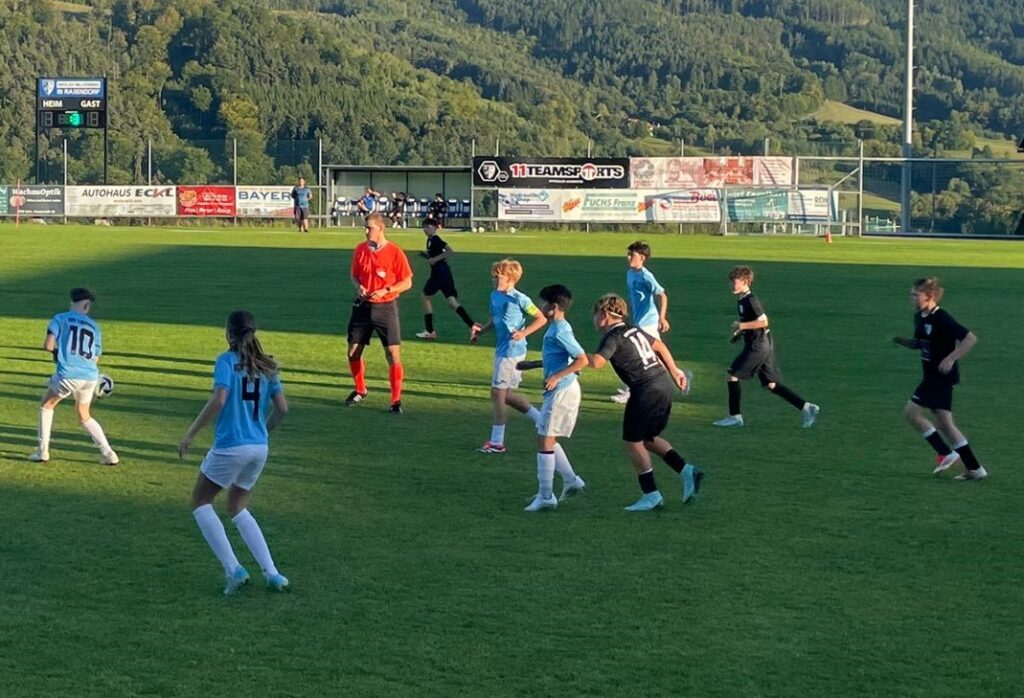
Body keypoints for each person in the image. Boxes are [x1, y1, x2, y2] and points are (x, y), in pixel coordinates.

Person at [178, 311, 290, 595]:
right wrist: (262, 431)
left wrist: (191, 433)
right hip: (259, 447)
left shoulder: (226, 361)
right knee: (238, 506)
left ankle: (234, 570)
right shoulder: (268, 365)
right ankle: (273, 573)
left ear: (228, 333)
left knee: (201, 501)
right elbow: (282, 408)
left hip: (231, 445)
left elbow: (219, 399)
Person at [587, 294, 703, 511]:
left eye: (595, 314)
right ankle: (688, 471)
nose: (593, 319)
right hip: (662, 383)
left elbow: (597, 362)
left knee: (632, 441)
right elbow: (659, 346)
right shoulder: (634, 330)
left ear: (604, 315)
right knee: (648, 438)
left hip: (646, 390)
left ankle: (651, 495)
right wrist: (675, 371)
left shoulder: (613, 336)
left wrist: (577, 356)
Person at [892, 277, 987, 480]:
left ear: (929, 296)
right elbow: (919, 343)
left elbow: (970, 339)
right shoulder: (920, 317)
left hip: (939, 377)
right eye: (911, 294)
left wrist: (951, 358)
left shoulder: (942, 317)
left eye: (916, 295)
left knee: (911, 413)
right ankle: (975, 469)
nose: (912, 298)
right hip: (931, 375)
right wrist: (900, 340)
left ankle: (945, 453)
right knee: (945, 423)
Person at [714, 265, 819, 428]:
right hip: (763, 343)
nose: (731, 285)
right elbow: (753, 322)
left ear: (745, 282)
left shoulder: (751, 300)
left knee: (732, 375)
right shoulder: (742, 299)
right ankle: (806, 407)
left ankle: (735, 417)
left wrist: (741, 326)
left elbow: (763, 321)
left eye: (734, 282)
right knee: (771, 384)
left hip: (757, 346)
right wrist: (740, 333)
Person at [28, 287, 118, 465]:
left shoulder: (60, 319)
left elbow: (48, 345)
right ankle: (109, 453)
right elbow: (95, 358)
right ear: (87, 305)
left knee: (47, 405)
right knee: (84, 415)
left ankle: (42, 451)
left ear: (72, 302)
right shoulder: (94, 327)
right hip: (90, 377)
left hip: (68, 375)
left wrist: (58, 353)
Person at [517, 284, 587, 511]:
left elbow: (581, 359)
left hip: (562, 392)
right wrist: (534, 364)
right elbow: (560, 357)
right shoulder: (558, 328)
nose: (540, 306)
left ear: (553, 306)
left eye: (542, 302)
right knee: (547, 437)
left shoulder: (560, 331)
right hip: (560, 390)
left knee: (544, 439)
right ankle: (571, 481)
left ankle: (546, 496)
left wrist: (556, 376)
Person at [471, 259, 547, 453]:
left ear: (511, 278)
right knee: (506, 395)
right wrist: (481, 331)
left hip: (513, 351)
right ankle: (541, 419)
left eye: (498, 276)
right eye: (493, 276)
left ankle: (497, 442)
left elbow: (541, 318)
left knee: (497, 393)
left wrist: (523, 333)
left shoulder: (520, 299)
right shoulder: (494, 296)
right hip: (502, 348)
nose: (494, 280)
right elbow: (495, 320)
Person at [346, 212, 414, 413]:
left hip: (386, 308)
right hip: (363, 306)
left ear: (381, 228)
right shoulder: (360, 250)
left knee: (392, 354)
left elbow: (407, 282)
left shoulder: (394, 252)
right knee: (353, 352)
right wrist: (358, 286)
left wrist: (386, 290)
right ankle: (360, 389)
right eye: (365, 227)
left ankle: (396, 401)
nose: (366, 231)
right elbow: (354, 276)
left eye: (369, 228)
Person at [611, 241, 676, 404]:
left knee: (635, 355)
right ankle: (678, 376)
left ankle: (631, 391)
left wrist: (662, 318)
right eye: (628, 254)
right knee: (654, 357)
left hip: (648, 321)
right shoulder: (630, 273)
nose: (628, 258)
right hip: (639, 320)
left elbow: (662, 295)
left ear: (642, 257)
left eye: (631, 255)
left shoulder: (646, 276)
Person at [415, 216, 477, 340]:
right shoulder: (430, 240)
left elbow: (449, 251)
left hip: (438, 274)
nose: (425, 229)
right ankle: (472, 325)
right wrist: (428, 256)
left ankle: (430, 331)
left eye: (428, 227)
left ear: (434, 228)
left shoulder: (435, 239)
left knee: (425, 297)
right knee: (452, 302)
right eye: (424, 227)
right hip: (444, 273)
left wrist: (435, 259)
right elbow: (439, 254)